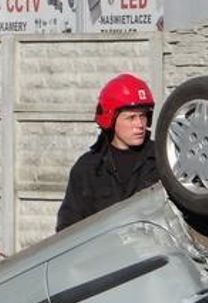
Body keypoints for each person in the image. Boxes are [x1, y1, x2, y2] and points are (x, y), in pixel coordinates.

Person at [56, 73, 159, 231]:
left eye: (143, 116)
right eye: (131, 118)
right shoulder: (88, 169)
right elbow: (67, 230)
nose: (140, 124)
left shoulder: (162, 160)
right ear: (111, 119)